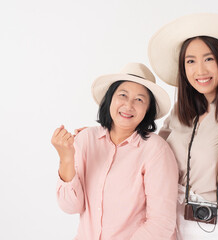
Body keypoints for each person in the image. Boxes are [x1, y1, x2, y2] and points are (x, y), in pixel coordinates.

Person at [148, 13, 218, 239]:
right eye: (190, 61)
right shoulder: (183, 108)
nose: (199, 70)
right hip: (167, 215)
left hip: (208, 224)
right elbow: (155, 153)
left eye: (209, 59)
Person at [51, 63, 179, 240]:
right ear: (110, 99)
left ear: (148, 109)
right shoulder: (86, 139)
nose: (128, 105)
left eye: (139, 99)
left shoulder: (156, 150)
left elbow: (161, 223)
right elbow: (70, 207)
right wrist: (66, 158)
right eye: (123, 95)